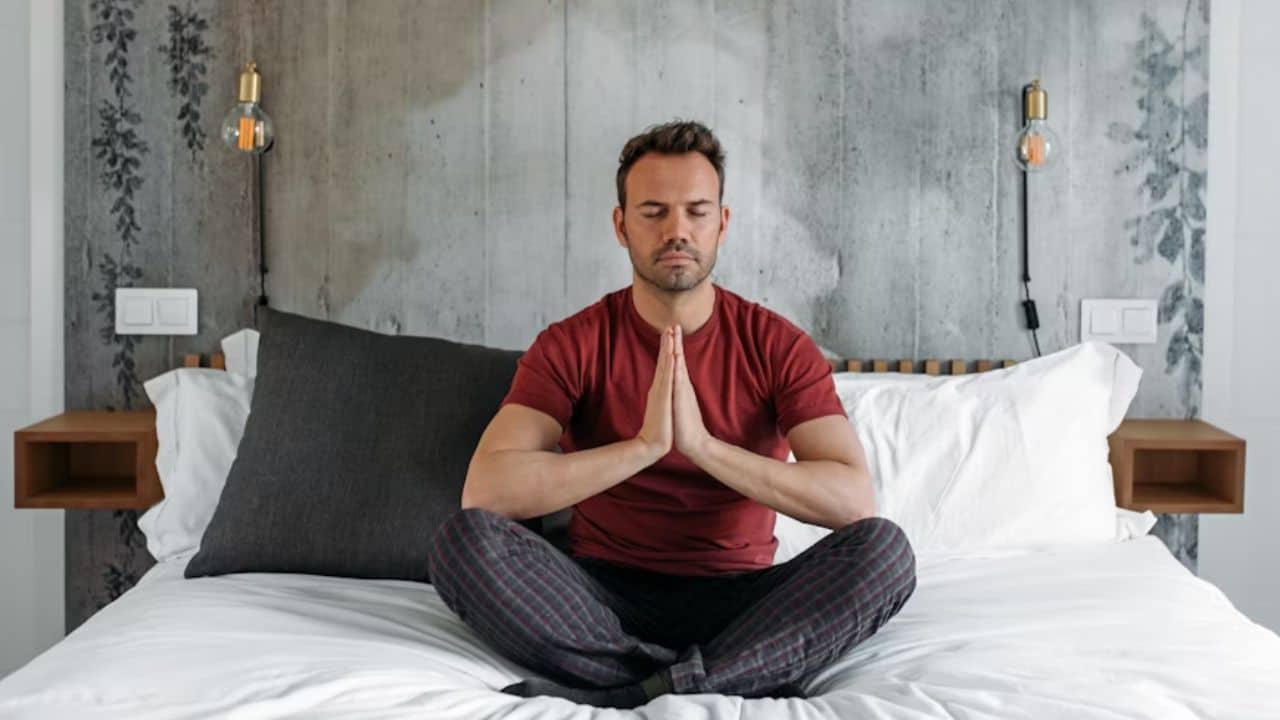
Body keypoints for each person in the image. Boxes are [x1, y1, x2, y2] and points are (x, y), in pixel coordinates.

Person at [427, 120, 916, 708]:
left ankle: (634, 687)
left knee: (885, 553)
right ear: (621, 225)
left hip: (743, 599)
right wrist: (642, 447)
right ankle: (722, 676)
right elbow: (486, 492)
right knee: (463, 542)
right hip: (602, 598)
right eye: (654, 212)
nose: (676, 230)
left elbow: (852, 503)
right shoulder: (572, 343)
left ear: (722, 223)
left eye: (696, 212)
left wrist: (705, 448)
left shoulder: (777, 345)